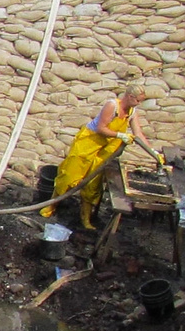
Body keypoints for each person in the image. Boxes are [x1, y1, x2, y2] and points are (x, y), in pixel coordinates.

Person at [41, 84, 156, 230]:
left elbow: (138, 134)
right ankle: (50, 207)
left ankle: (85, 219)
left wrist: (153, 152)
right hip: (89, 143)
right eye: (138, 100)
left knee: (93, 184)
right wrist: (120, 135)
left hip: (106, 149)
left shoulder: (133, 112)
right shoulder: (112, 106)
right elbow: (101, 128)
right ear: (130, 97)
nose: (139, 104)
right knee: (69, 176)